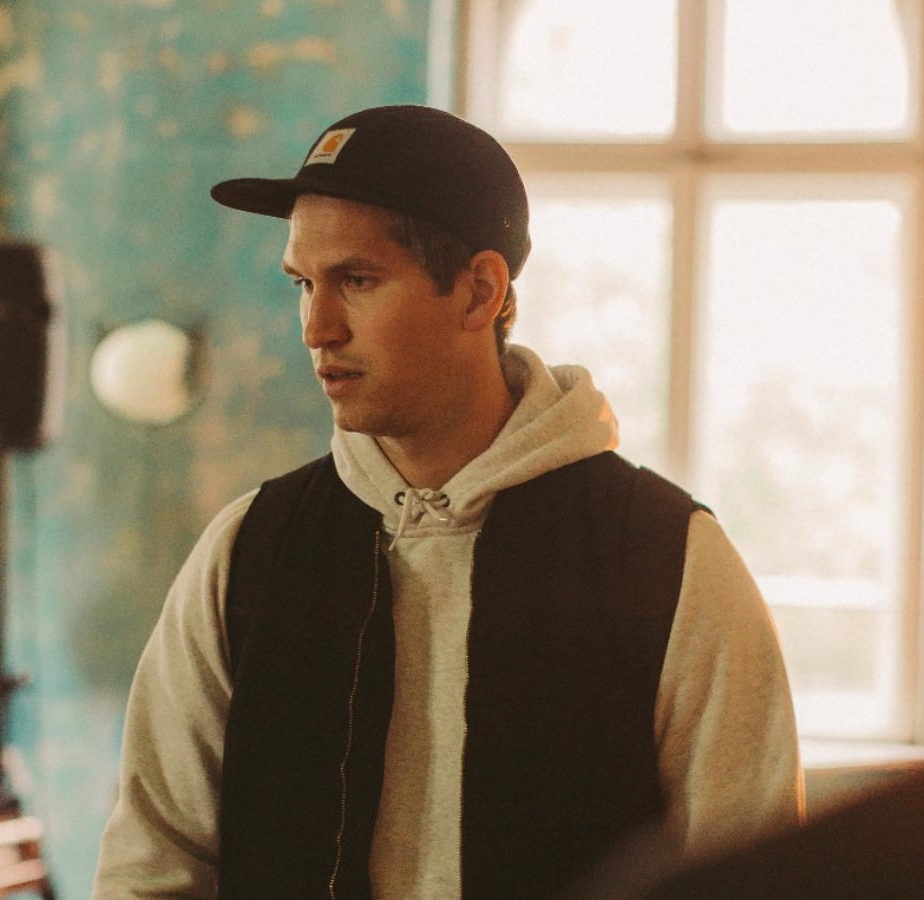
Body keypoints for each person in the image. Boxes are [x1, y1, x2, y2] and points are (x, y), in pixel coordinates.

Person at [92, 104, 803, 899]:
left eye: (357, 281)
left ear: (479, 292)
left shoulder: (665, 559)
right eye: (302, 284)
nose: (317, 328)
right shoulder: (248, 553)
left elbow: (755, 876)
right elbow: (151, 868)